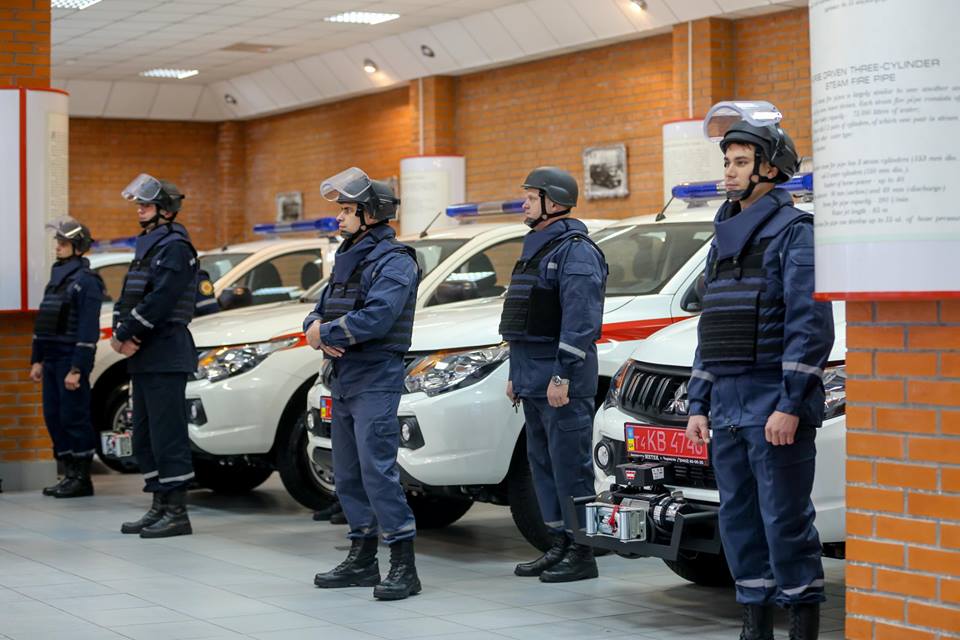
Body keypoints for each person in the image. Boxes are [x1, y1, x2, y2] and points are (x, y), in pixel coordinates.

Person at [684, 102, 835, 640]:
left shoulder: (796, 232)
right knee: (738, 521)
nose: (729, 171)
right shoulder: (721, 239)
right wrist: (698, 403)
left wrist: (791, 404)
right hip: (727, 406)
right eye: (727, 161)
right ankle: (755, 625)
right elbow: (712, 325)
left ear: (770, 169)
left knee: (785, 521)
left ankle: (802, 626)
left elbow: (810, 326)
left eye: (741, 161)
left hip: (774, 402)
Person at [304, 167, 421, 601]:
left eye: (347, 209)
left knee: (377, 472)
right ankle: (362, 557)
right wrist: (316, 328)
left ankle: (404, 565)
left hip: (375, 377)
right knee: (348, 472)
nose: (339, 217)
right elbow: (317, 309)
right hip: (344, 378)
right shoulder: (348, 257)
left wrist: (324, 333)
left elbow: (377, 318)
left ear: (371, 213)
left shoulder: (395, 260)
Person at [499, 167, 607, 583]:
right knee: (541, 466)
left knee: (570, 468)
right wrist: (516, 374)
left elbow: (581, 322)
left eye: (531, 197)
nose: (524, 204)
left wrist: (562, 375)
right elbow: (522, 321)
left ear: (555, 202)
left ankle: (582, 552)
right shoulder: (536, 249)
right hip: (532, 379)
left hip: (561, 382)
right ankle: (559, 544)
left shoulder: (576, 251)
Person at [112, 174, 201, 539]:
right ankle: (159, 504)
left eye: (146, 205)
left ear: (166, 210)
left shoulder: (176, 247)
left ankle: (177, 512)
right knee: (145, 435)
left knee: (168, 435)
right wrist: (121, 332)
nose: (139, 210)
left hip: (165, 350)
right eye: (139, 205)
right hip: (145, 354)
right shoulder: (148, 246)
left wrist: (127, 334)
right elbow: (128, 296)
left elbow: (161, 300)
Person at [30, 219, 104, 498]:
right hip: (51, 360)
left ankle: (82, 478)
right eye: (58, 242)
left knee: (74, 417)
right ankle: (69, 474)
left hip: (69, 360)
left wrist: (77, 368)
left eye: (63, 243)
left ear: (78, 247)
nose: (58, 247)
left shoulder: (87, 282)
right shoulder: (56, 279)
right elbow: (44, 322)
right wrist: (37, 360)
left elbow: (87, 329)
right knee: (54, 417)